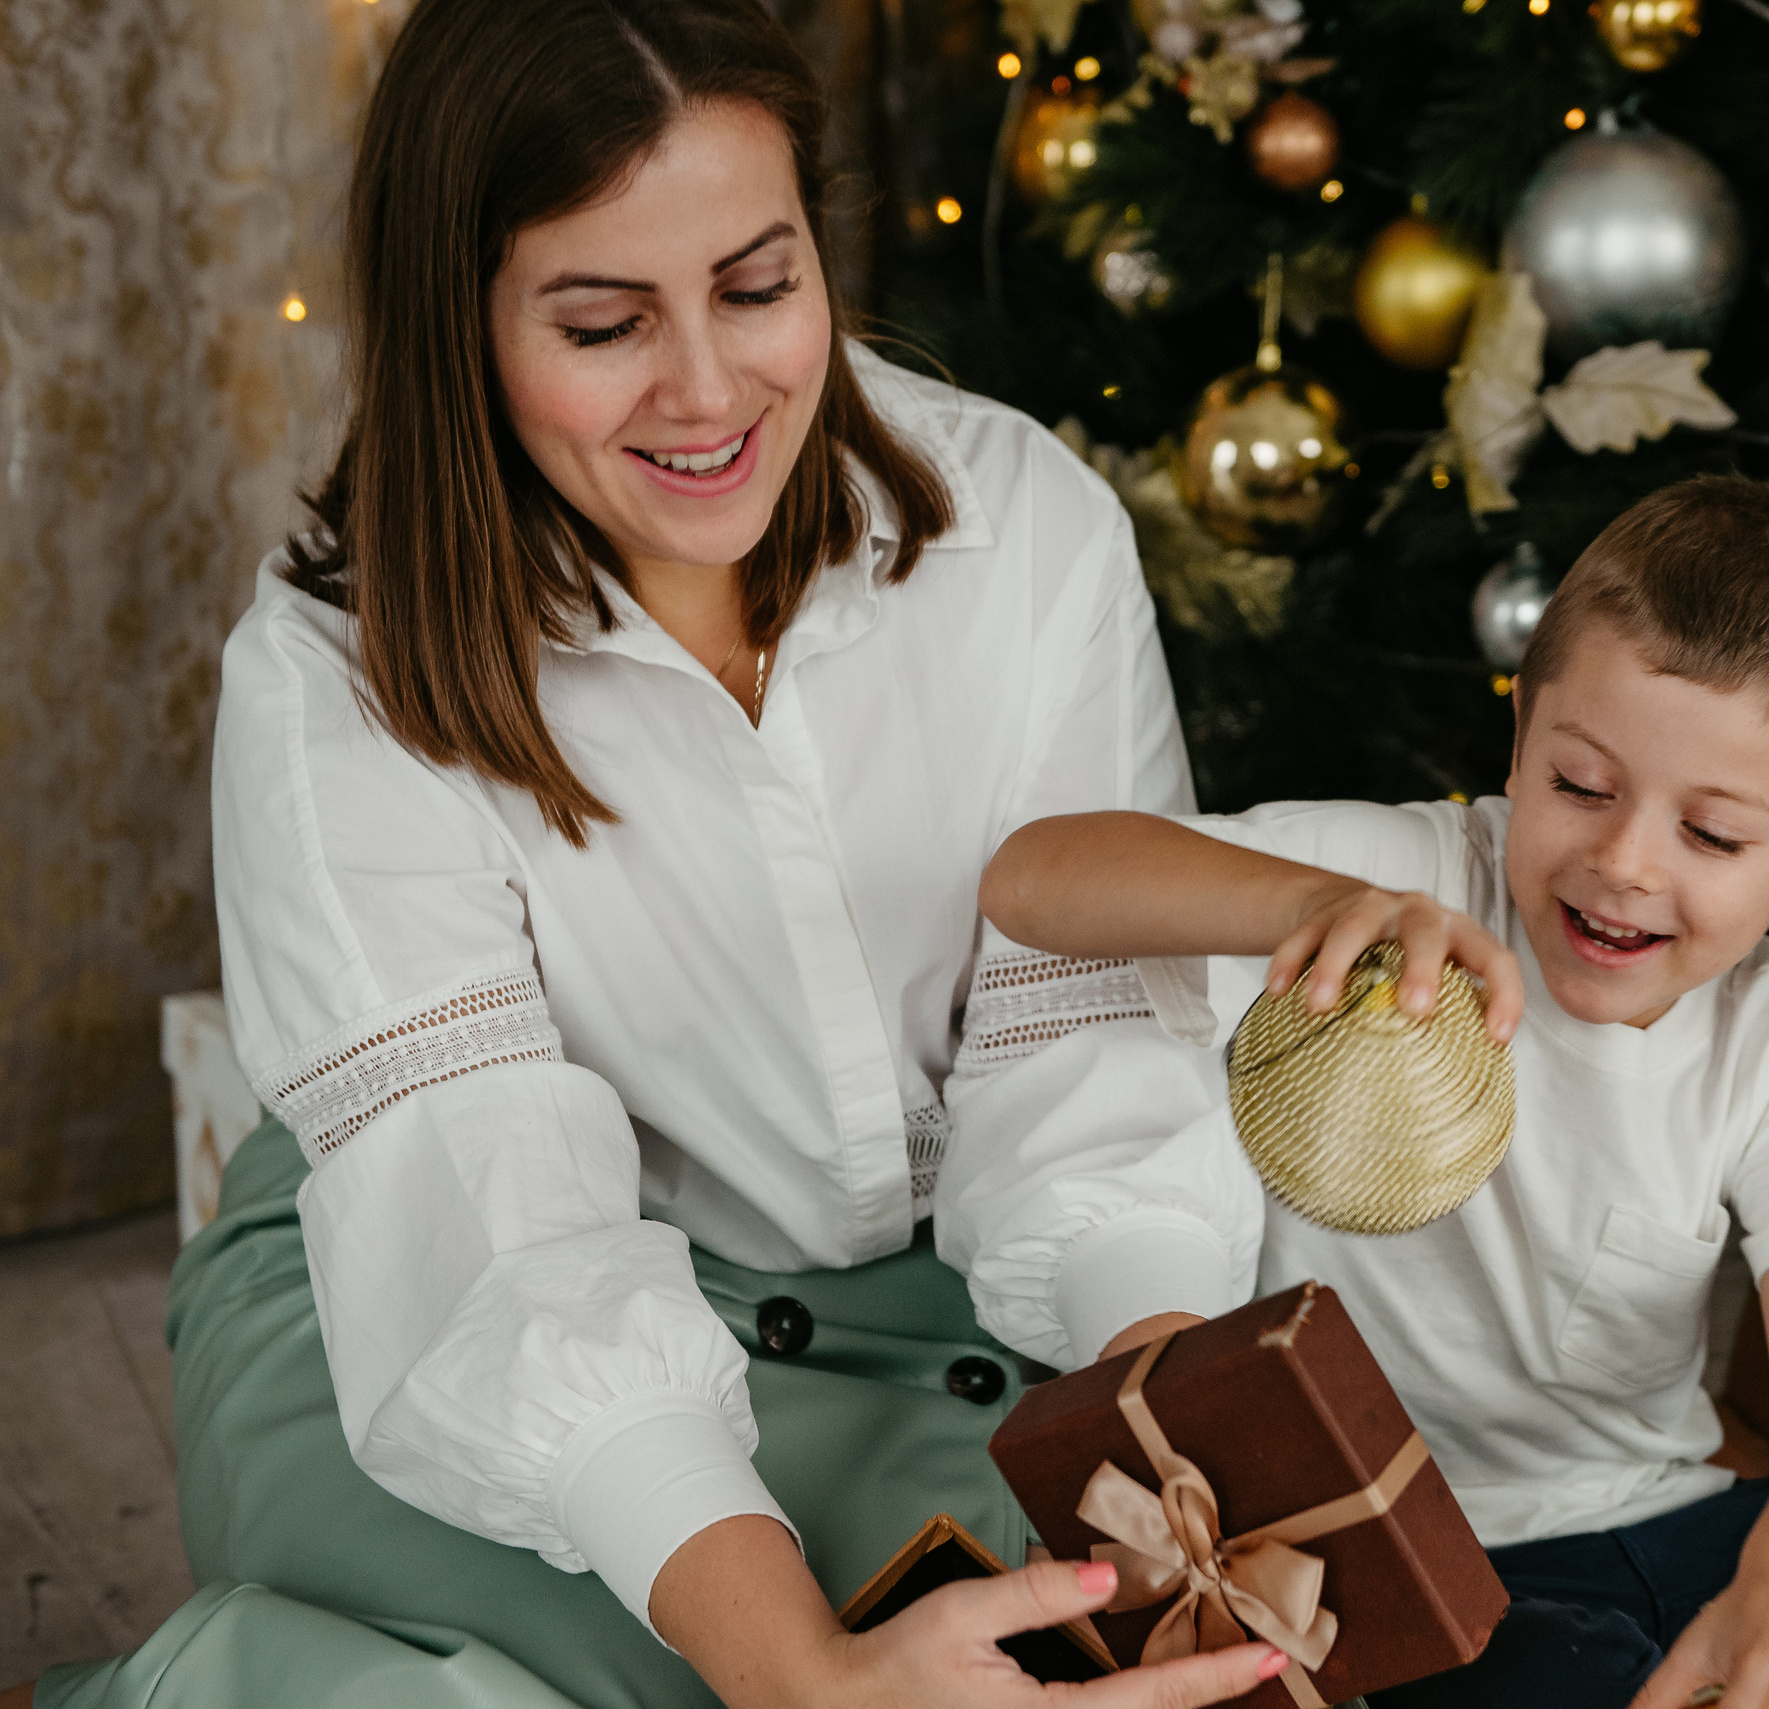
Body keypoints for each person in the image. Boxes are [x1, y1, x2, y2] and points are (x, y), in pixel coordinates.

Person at [27, 2, 1291, 1706]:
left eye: (759, 287)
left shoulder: (1027, 533)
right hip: (423, 1288)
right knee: (739, 1668)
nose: (707, 390)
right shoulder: (332, 673)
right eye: (604, 322)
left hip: (929, 1291)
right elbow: (488, 1228)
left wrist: (1172, 1420)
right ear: (457, 320)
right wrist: (804, 1676)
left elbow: (1084, 1034)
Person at [948, 478, 1769, 1709]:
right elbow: (1034, 879)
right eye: (1579, 784)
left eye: (1713, 836)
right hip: (1437, 1566)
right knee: (1571, 1678)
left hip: (1680, 1518)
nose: (1624, 861)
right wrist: (1299, 909)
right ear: (1517, 743)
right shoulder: (1399, 878)